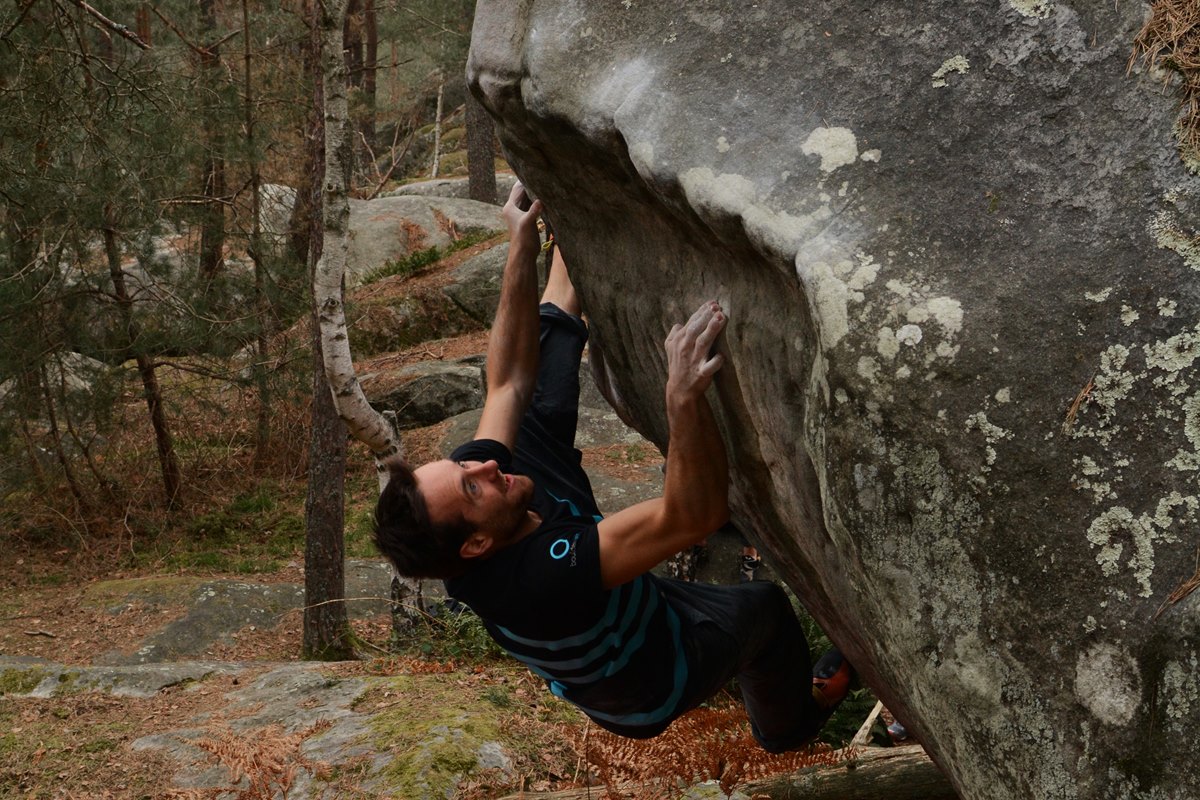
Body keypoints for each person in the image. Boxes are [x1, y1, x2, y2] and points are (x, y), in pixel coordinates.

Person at [373, 182, 850, 751]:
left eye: (463, 469)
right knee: (764, 609)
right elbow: (692, 516)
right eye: (472, 490)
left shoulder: (475, 498)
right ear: (474, 547)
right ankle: (790, 727)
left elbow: (505, 383)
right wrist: (681, 400)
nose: (482, 469)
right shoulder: (538, 580)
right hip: (652, 679)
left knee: (528, 420)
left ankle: (563, 282)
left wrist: (521, 247)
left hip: (631, 603)